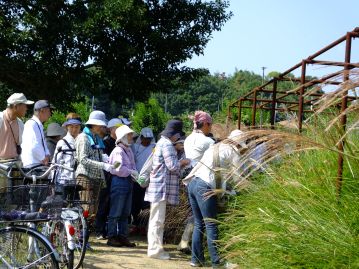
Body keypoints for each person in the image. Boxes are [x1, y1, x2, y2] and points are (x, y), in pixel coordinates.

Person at [183, 130, 247, 268]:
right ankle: (217, 262)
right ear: (238, 143)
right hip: (205, 187)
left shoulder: (215, 146)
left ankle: (196, 260)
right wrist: (249, 188)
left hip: (193, 183)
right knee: (211, 224)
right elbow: (237, 178)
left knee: (199, 223)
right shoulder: (233, 151)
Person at [145, 119, 190, 260]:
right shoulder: (167, 145)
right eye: (178, 136)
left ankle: (155, 249)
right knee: (157, 221)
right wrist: (183, 162)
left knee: (156, 220)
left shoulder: (161, 143)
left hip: (158, 187)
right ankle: (155, 251)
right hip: (161, 188)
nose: (178, 139)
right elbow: (173, 166)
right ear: (175, 134)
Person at [179, 110, 214, 252]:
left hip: (188, 180)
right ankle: (186, 243)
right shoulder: (208, 141)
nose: (211, 127)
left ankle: (185, 242)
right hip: (203, 179)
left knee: (194, 214)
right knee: (203, 219)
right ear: (205, 124)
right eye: (210, 124)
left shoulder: (188, 139)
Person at [75, 110, 114, 217]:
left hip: (96, 177)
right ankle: (83, 232)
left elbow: (97, 155)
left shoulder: (96, 138)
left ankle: (88, 231)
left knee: (94, 209)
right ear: (94, 124)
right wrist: (102, 165)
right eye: (101, 125)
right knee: (86, 208)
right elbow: (82, 159)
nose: (102, 128)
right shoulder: (83, 137)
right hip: (85, 176)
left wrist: (105, 159)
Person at [107, 125, 137, 247]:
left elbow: (132, 166)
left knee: (125, 212)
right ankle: (112, 236)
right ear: (123, 137)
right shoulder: (118, 151)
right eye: (129, 135)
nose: (131, 137)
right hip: (119, 182)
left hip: (127, 182)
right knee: (116, 211)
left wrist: (135, 174)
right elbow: (117, 169)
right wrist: (132, 172)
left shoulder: (128, 150)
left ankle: (122, 236)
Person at [95, 118, 122, 240]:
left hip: (116, 177)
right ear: (112, 129)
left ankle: (109, 230)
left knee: (113, 204)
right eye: (118, 128)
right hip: (107, 176)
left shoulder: (120, 143)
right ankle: (100, 230)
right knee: (104, 203)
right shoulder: (106, 142)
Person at [0, 93, 33, 188]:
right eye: (24, 105)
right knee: (2, 198)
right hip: (1, 166)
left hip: (16, 166)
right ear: (16, 106)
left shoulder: (20, 123)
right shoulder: (0, 119)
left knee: (16, 199)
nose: (27, 108)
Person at [130, 127, 155, 235]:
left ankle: (143, 226)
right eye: (145, 138)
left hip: (148, 181)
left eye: (149, 138)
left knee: (145, 205)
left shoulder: (154, 147)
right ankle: (135, 224)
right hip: (136, 179)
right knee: (135, 204)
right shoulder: (135, 148)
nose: (147, 140)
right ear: (141, 137)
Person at [52, 113, 82, 186]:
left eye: (77, 127)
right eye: (71, 127)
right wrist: (52, 182)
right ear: (67, 127)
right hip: (63, 180)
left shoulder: (83, 142)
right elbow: (55, 164)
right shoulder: (62, 142)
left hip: (79, 181)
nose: (74, 129)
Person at [21, 100, 52, 167]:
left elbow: (42, 144)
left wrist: (47, 154)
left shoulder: (37, 124)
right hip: (32, 165)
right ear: (42, 111)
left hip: (37, 164)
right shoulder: (31, 124)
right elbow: (33, 145)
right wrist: (44, 158)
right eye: (49, 111)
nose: (50, 114)